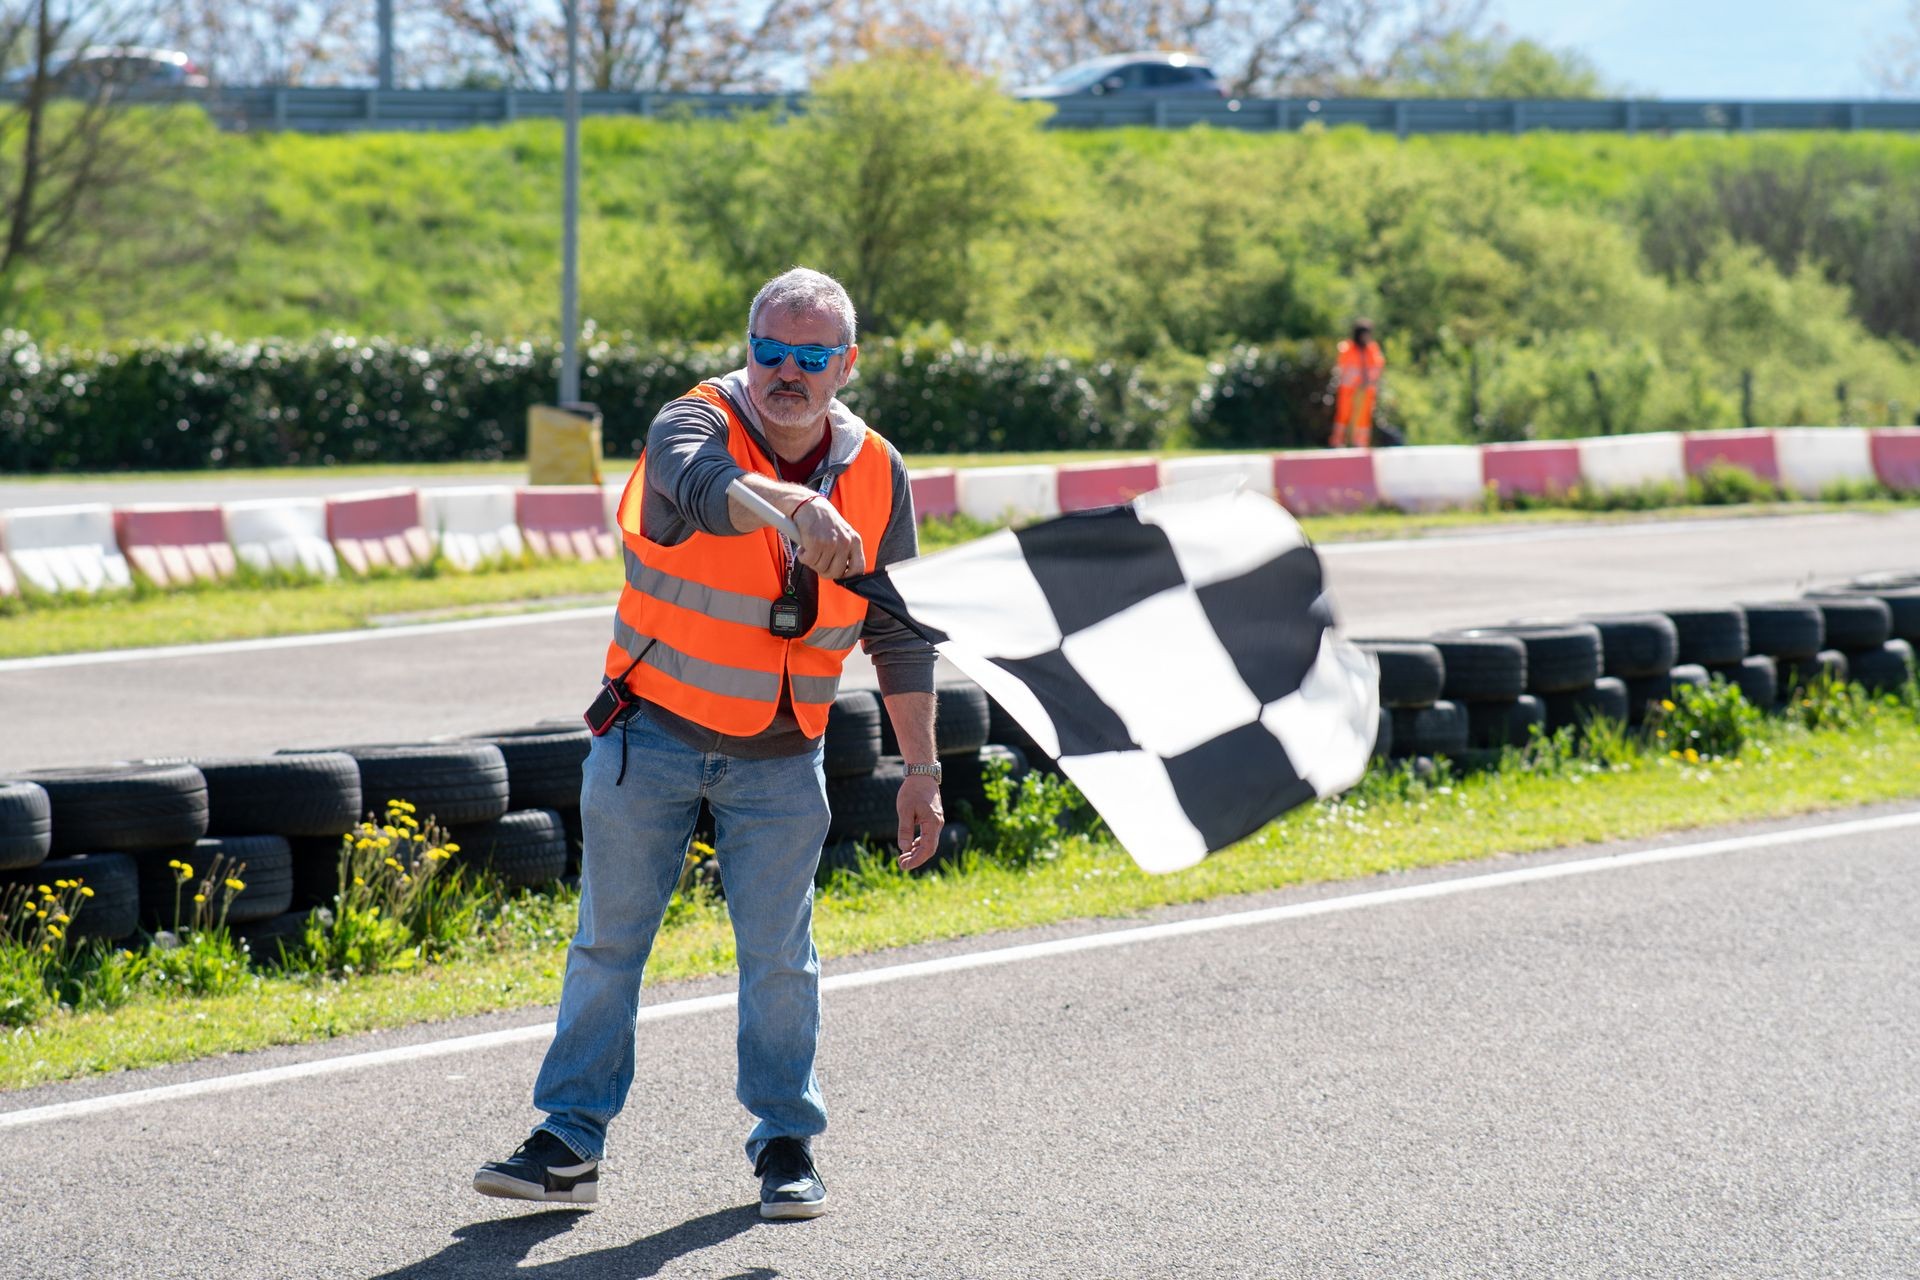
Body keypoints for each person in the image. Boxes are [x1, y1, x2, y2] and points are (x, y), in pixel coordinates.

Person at [474, 268, 942, 1221]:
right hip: (651, 734)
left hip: (784, 755)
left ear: (845, 365)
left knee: (779, 956)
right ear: (748, 350)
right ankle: (568, 1142)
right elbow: (701, 488)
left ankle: (785, 1146)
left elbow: (894, 630)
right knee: (608, 944)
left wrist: (921, 768)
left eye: (812, 357)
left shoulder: (877, 467)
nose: (787, 372)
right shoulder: (691, 422)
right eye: (771, 350)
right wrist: (794, 508)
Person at [1329, 319, 1386, 449]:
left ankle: (1360, 442)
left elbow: (1377, 366)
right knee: (1343, 415)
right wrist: (1356, 381)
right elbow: (1343, 368)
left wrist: (1369, 381)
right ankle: (1338, 441)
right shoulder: (1347, 348)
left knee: (1364, 418)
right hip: (1349, 390)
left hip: (1366, 391)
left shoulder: (1371, 348)